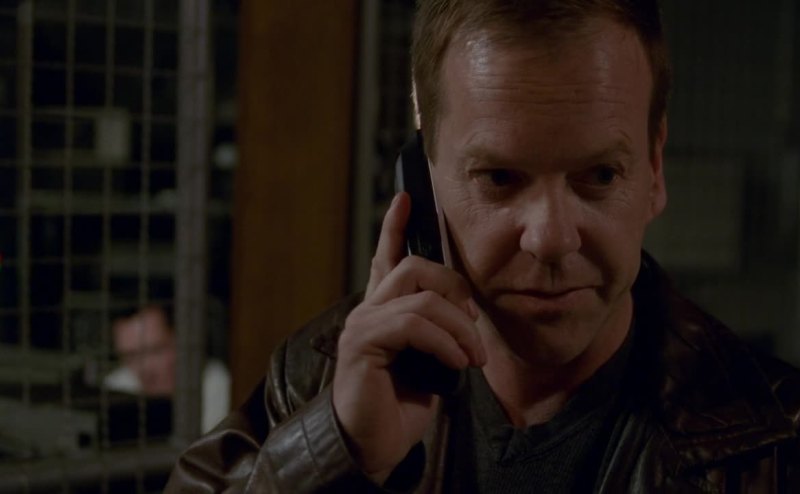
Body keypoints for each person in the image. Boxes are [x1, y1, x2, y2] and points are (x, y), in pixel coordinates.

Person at [166, 0, 800, 491]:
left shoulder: (778, 444)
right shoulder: (312, 382)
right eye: (499, 178)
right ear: (422, 175)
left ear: (654, 171)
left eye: (601, 175)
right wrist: (340, 452)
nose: (550, 238)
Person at [105, 305, 231, 433]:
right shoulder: (117, 387)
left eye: (155, 351)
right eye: (130, 356)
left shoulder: (215, 383)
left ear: (181, 341)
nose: (146, 369)